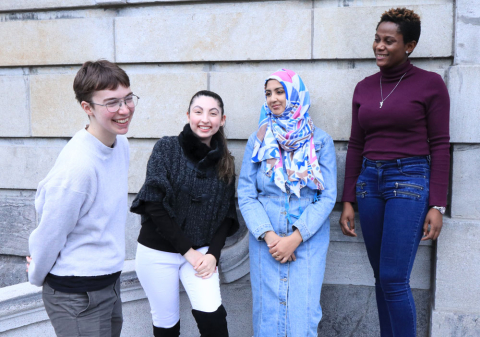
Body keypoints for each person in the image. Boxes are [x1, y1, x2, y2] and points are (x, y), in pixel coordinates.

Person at [339, 8, 450, 337]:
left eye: (389, 41)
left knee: (393, 278)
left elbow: (441, 145)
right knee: (380, 277)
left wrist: (437, 205)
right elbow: (356, 145)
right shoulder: (364, 87)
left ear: (410, 45)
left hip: (410, 180)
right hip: (369, 183)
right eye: (377, 39)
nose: (379, 46)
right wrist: (347, 199)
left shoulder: (431, 84)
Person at [27, 60, 137, 337]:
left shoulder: (119, 143)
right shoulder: (78, 166)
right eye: (112, 103)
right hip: (77, 294)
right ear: (87, 108)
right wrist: (37, 273)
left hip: (108, 281)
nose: (124, 110)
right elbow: (50, 231)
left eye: (128, 98)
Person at [130, 90, 239, 337]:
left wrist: (213, 255)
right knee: (166, 326)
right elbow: (154, 204)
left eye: (213, 113)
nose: (205, 119)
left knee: (214, 323)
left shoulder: (226, 161)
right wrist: (187, 252)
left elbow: (226, 214)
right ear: (188, 115)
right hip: (157, 251)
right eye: (198, 112)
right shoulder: (166, 148)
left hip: (201, 253)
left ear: (222, 120)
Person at [238, 69, 337, 336]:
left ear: (295, 95)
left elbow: (327, 197)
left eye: (279, 91)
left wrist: (295, 237)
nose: (273, 98)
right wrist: (271, 238)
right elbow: (246, 194)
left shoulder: (321, 141)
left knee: (303, 316)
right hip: (265, 242)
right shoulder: (258, 140)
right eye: (268, 93)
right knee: (267, 316)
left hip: (308, 240)